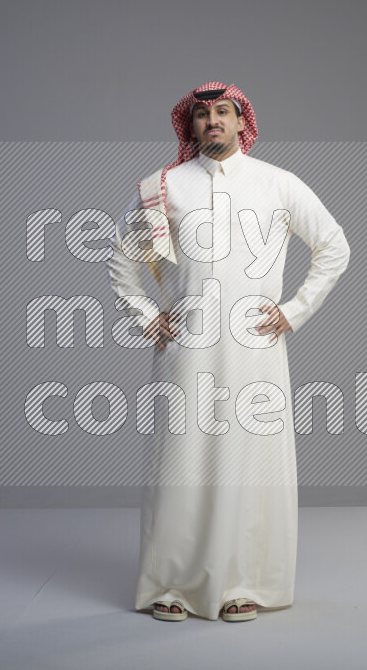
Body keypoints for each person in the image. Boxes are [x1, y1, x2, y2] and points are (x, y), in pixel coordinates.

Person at [106, 81, 351, 622]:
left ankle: (245, 584)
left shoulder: (278, 185)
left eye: (223, 112)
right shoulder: (161, 188)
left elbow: (334, 245)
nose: (212, 121)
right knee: (179, 464)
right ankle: (171, 584)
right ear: (189, 126)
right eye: (201, 115)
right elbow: (122, 260)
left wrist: (293, 311)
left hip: (255, 351)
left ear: (243, 122)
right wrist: (148, 315)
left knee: (250, 464)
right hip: (185, 351)